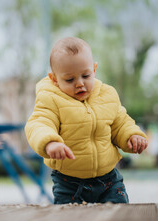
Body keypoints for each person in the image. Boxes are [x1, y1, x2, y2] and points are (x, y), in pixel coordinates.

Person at [25, 37, 148, 204]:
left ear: (94, 69)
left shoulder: (107, 95)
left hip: (108, 179)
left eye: (86, 75)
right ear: (54, 79)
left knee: (119, 214)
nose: (80, 84)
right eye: (70, 79)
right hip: (69, 182)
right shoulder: (51, 99)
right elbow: (39, 123)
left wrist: (131, 136)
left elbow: (120, 123)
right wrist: (50, 143)